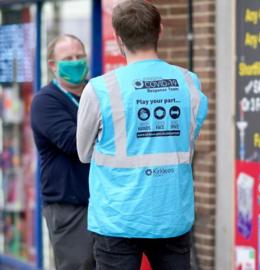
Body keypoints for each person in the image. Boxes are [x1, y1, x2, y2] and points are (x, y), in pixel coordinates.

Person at [76, 1, 208, 269]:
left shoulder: (100, 89)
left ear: (118, 37)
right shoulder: (189, 83)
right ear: (160, 29)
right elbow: (187, 142)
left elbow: (84, 153)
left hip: (117, 219)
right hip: (172, 214)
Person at [30, 34, 95, 270]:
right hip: (69, 206)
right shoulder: (45, 102)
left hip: (103, 202)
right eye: (68, 58)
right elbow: (73, 142)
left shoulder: (96, 91)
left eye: (80, 56)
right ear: (52, 65)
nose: (76, 62)